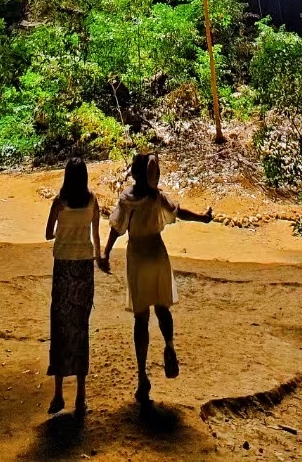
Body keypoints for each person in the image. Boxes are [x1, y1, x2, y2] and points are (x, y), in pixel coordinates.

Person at [99, 153, 212, 407]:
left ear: (135, 174)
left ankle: (142, 377)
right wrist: (203, 218)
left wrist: (105, 252)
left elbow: (116, 228)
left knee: (141, 319)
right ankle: (169, 344)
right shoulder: (157, 198)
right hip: (157, 254)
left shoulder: (128, 200)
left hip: (138, 257)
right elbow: (179, 211)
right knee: (162, 307)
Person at [45, 156, 101, 418]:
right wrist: (99, 258)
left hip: (63, 267)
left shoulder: (59, 202)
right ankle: (81, 396)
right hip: (84, 267)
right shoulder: (92, 201)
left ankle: (58, 394)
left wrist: (63, 232)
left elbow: (48, 234)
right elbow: (96, 237)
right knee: (80, 327)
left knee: (60, 326)